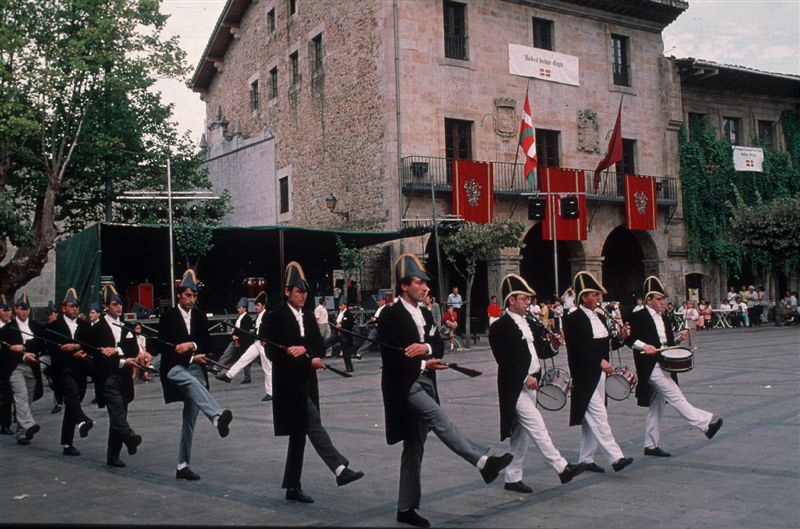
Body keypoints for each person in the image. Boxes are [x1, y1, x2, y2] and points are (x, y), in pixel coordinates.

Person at [378, 253, 512, 528]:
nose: (425, 287)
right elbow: (391, 358)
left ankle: (405, 508)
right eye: (418, 282)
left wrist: (425, 349)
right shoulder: (390, 315)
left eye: (425, 283)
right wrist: (423, 361)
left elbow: (438, 344)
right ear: (404, 285)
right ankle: (482, 462)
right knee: (440, 419)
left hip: (427, 381)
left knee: (414, 446)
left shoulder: (426, 313)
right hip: (405, 385)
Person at [265, 261, 364, 504]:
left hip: (307, 382)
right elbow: (271, 352)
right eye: (298, 291)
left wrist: (306, 352)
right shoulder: (275, 316)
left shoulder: (309, 317)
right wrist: (296, 354)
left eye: (305, 292)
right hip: (288, 385)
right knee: (313, 422)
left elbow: (318, 346)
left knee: (299, 434)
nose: (303, 296)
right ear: (287, 291)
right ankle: (339, 469)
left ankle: (292, 486)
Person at [488, 274, 583, 494]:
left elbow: (540, 351)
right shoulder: (499, 326)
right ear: (511, 300)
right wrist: (524, 377)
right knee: (538, 426)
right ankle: (562, 467)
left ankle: (512, 478)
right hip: (515, 387)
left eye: (528, 299)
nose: (528, 302)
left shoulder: (529, 322)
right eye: (523, 298)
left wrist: (554, 345)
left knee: (520, 435)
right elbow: (503, 359)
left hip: (531, 384)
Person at [625, 276, 723, 458]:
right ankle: (705, 425)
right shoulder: (638, 316)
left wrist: (678, 339)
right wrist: (643, 345)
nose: (662, 302)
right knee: (676, 396)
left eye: (663, 299)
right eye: (659, 299)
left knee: (657, 407)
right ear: (649, 300)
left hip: (665, 363)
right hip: (650, 366)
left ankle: (650, 446)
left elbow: (666, 343)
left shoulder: (664, 317)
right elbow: (627, 338)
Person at [158, 269, 234, 481]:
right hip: (173, 368)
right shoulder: (168, 317)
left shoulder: (200, 316)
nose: (191, 300)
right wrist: (188, 355)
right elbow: (162, 347)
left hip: (195, 369)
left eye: (194, 296)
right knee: (191, 382)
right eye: (188, 295)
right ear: (179, 295)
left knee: (189, 419)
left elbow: (207, 344)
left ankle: (182, 465)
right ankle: (217, 416)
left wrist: (191, 345)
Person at [563, 272, 633, 474]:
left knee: (591, 419)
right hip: (584, 373)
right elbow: (576, 348)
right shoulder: (573, 318)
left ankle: (586, 459)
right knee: (599, 414)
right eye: (594, 294)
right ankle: (616, 457)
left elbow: (606, 345)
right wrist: (599, 361)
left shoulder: (600, 316)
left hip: (600, 373)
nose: (598, 298)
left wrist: (620, 338)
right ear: (584, 297)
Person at [86, 285, 142, 468]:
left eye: (120, 304)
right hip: (108, 377)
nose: (119, 307)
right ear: (106, 306)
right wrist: (122, 358)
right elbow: (100, 357)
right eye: (115, 304)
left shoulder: (126, 327)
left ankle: (113, 455)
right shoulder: (98, 328)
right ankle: (130, 438)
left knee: (119, 416)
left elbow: (133, 350)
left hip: (124, 377)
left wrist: (117, 350)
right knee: (117, 412)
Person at [46, 288, 95, 456]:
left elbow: (90, 344)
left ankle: (67, 444)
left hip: (80, 370)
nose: (75, 309)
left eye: (77, 306)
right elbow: (52, 348)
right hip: (63, 369)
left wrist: (77, 347)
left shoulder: (84, 326)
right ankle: (83, 421)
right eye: (71, 306)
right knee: (72, 396)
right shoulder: (55, 326)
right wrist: (68, 352)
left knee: (73, 404)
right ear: (63, 308)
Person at [0, 292, 45, 445]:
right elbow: (5, 349)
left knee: (28, 399)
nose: (24, 311)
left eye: (26, 308)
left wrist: (25, 347)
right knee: (21, 395)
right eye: (21, 308)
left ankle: (22, 433)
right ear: (16, 309)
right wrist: (20, 353)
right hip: (15, 367)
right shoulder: (9, 328)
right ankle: (29, 424)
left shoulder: (35, 326)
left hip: (32, 367)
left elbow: (41, 344)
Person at [217, 291, 272, 401]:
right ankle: (229, 375)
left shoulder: (268, 315)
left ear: (263, 306)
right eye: (255, 305)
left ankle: (270, 392)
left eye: (258, 305)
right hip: (257, 342)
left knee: (267, 368)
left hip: (263, 344)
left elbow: (271, 329)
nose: (256, 307)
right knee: (244, 358)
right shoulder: (259, 316)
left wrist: (266, 339)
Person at [216, 297, 254, 383]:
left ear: (244, 308)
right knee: (226, 354)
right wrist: (233, 335)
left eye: (240, 308)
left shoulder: (247, 318)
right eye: (238, 308)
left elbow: (244, 331)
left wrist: (237, 336)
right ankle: (217, 368)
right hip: (235, 340)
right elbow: (236, 329)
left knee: (245, 359)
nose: (238, 309)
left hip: (243, 342)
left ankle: (247, 377)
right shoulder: (239, 317)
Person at [323, 300, 356, 372]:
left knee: (346, 351)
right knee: (326, 342)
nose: (339, 307)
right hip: (337, 333)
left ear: (345, 305)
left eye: (341, 305)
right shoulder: (339, 312)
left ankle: (349, 367)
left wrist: (341, 325)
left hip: (344, 334)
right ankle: (317, 354)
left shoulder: (348, 314)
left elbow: (350, 324)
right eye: (339, 305)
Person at [0, 295, 15, 435]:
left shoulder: (14, 327)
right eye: (4, 310)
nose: (7, 313)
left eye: (9, 310)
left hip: (10, 366)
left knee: (7, 397)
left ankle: (5, 425)